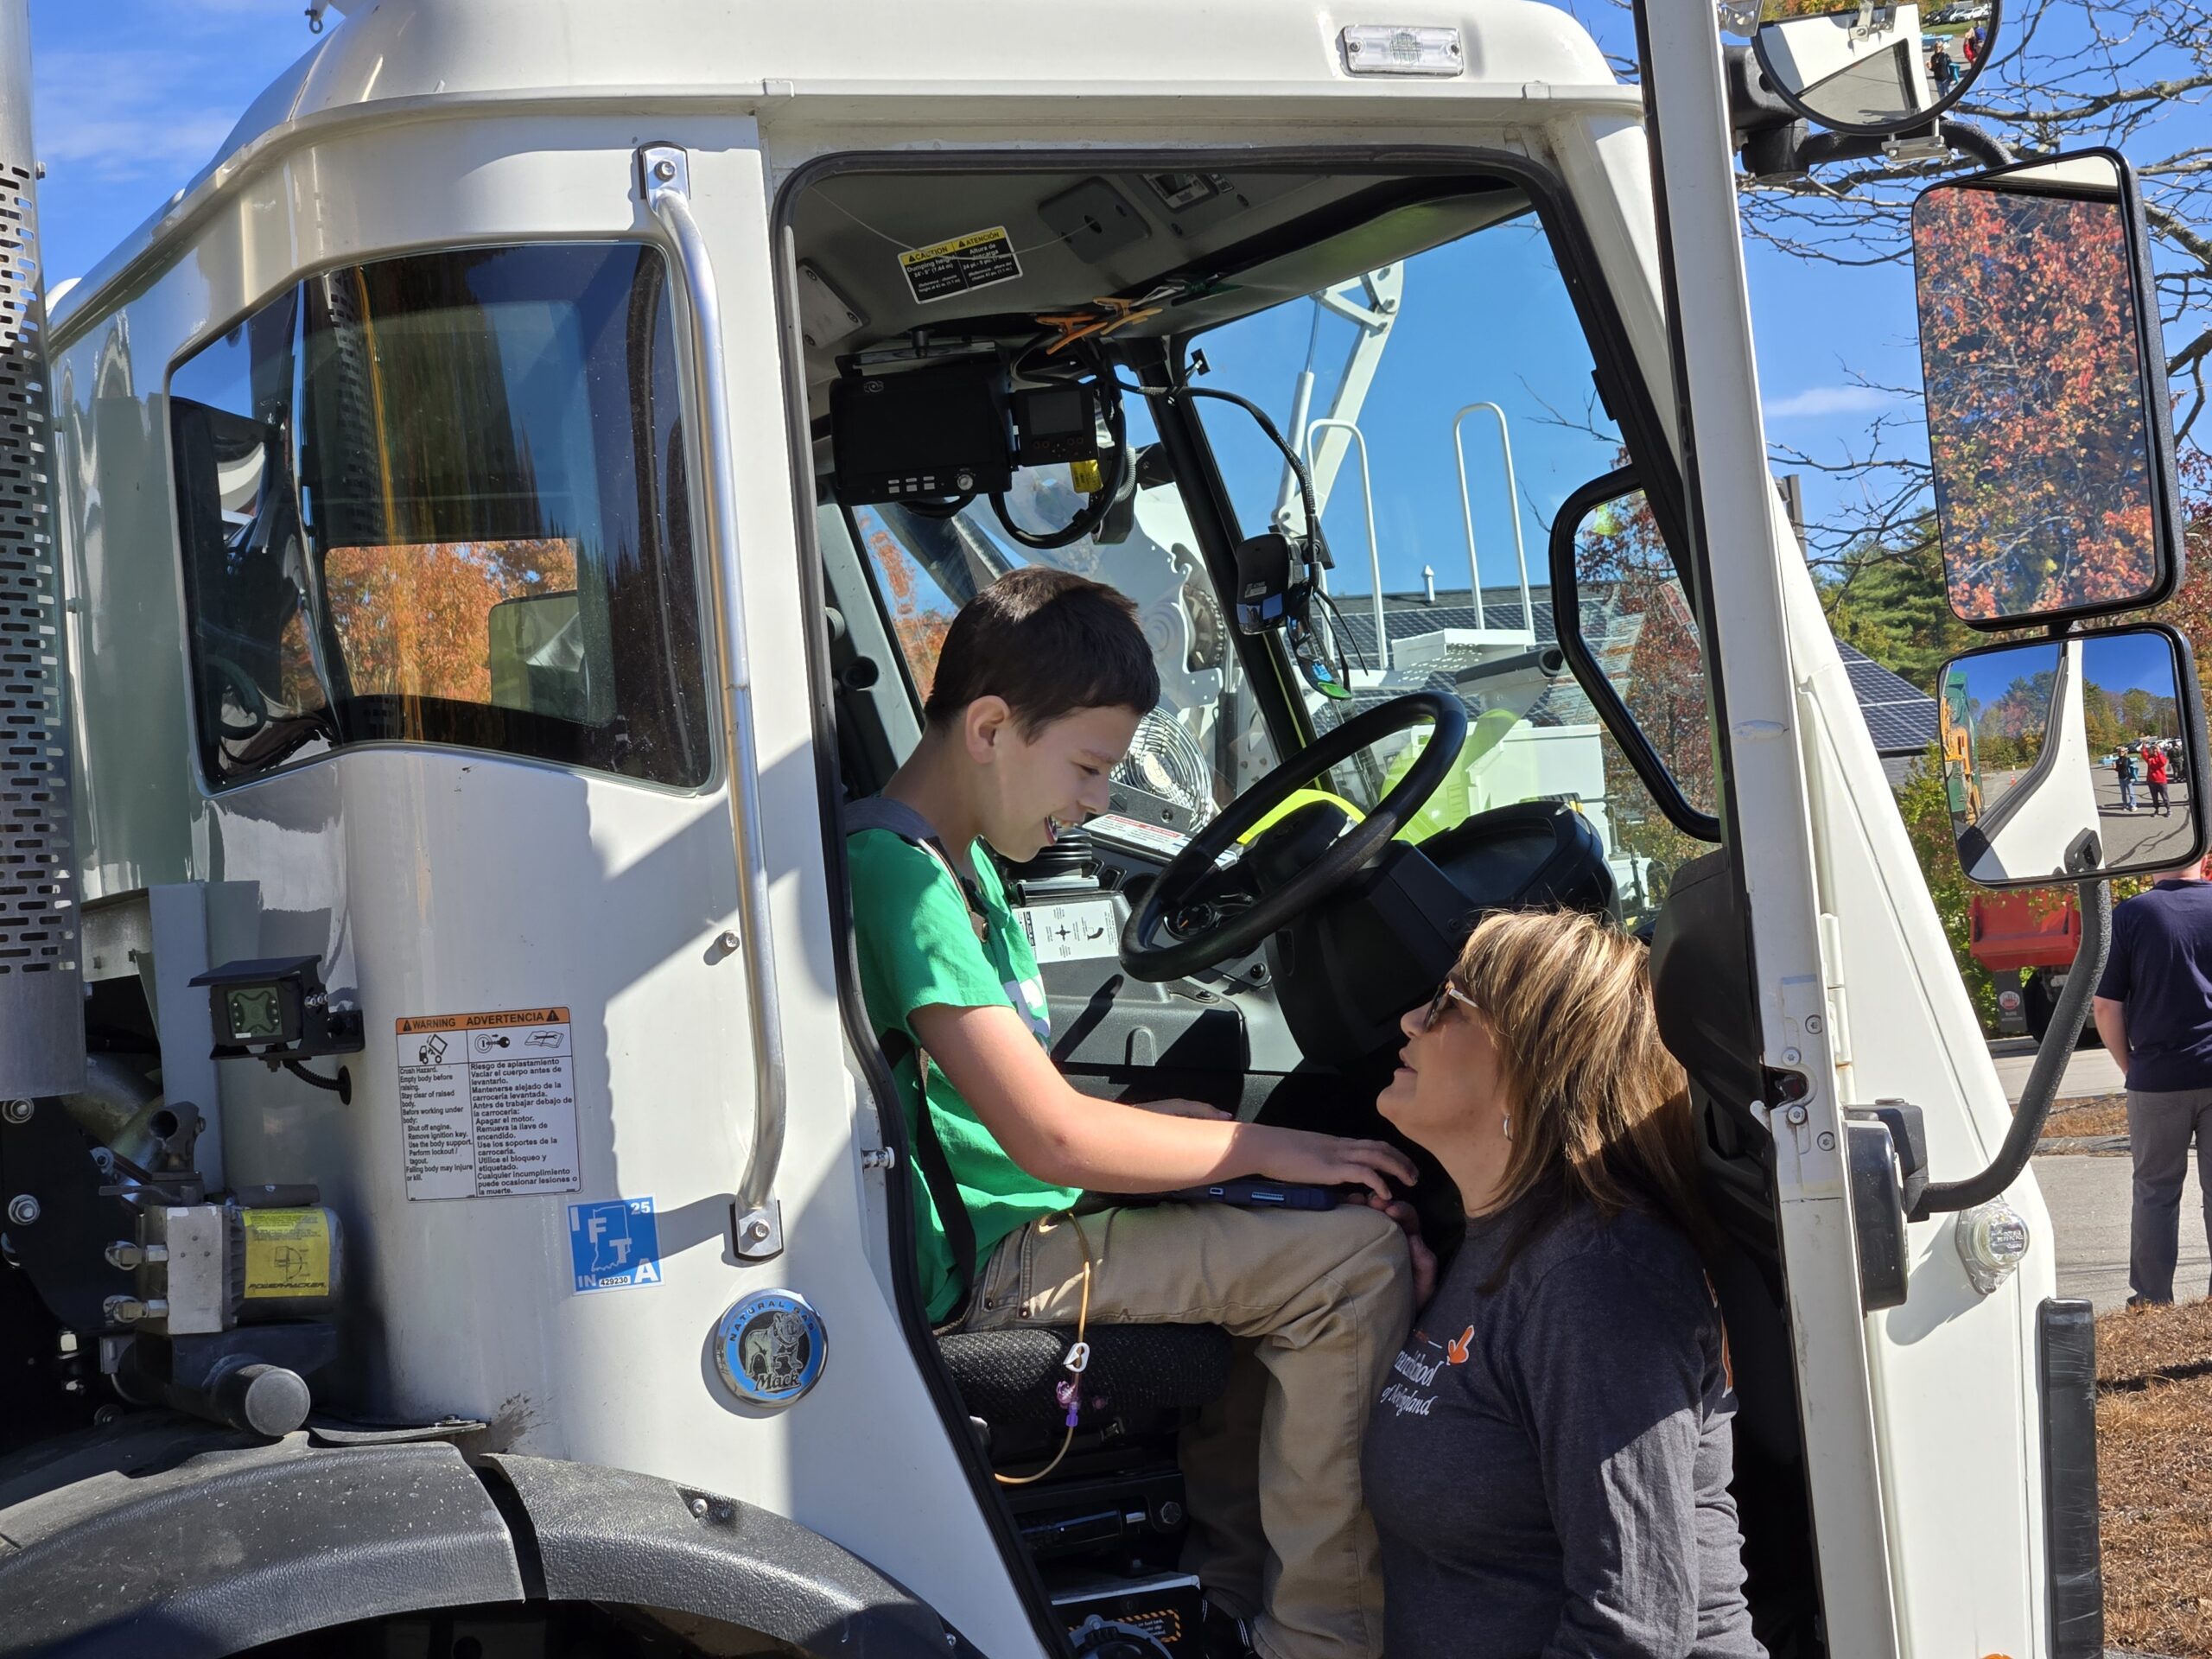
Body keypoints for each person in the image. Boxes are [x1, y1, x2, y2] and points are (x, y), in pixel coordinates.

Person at [849, 565, 1417, 1659]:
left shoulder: (959, 868)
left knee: (1278, 1202)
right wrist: (1284, 1148)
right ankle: (1322, 1640)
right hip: (995, 1266)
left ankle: (1226, 1596)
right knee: (1351, 1264)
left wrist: (1206, 1142)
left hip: (1021, 1222)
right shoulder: (902, 879)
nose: (1099, 801)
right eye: (1091, 766)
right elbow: (1051, 1137)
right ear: (991, 727)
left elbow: (1024, 1107)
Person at [1361, 908, 1763, 1659]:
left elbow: (1632, 1632)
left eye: (1448, 1004)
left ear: (1535, 1058)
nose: (1413, 1019)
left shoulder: (1595, 1281)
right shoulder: (1498, 1246)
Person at [2093, 851, 2212, 1307]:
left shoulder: (2134, 914)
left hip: (2158, 1077)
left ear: (2151, 865)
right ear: (2204, 858)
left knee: (2156, 1192)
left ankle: (2151, 1298)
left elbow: (2106, 1005)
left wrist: (2130, 1066)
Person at [2148, 742, 2173, 817]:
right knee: (2154, 797)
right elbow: (2144, 754)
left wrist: (2159, 752)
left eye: (2156, 750)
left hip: (2161, 781)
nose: (2154, 751)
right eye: (2153, 750)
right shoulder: (2150, 758)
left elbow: (2162, 762)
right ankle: (2156, 810)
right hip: (2151, 781)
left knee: (2165, 797)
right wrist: (2143, 744)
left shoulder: (2162, 757)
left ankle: (2168, 809)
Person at [2116, 747, 2139, 813]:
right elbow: (2118, 770)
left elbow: (2132, 768)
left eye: (2122, 751)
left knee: (2131, 793)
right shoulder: (2117, 760)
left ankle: (2133, 805)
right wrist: (2115, 768)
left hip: (2127, 778)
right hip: (2121, 778)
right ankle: (2125, 804)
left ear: (2125, 752)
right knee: (2123, 793)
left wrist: (2132, 777)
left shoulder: (2128, 759)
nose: (2121, 753)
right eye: (2119, 751)